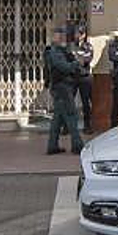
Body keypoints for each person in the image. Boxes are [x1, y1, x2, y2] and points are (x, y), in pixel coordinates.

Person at [44, 26, 85, 155]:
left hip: (62, 87)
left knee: (57, 119)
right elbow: (64, 67)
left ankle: (52, 145)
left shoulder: (62, 51)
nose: (62, 38)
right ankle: (77, 145)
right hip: (61, 87)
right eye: (59, 35)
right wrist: (76, 63)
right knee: (71, 115)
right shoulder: (54, 51)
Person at [71, 25, 95, 133]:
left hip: (84, 78)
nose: (77, 35)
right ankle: (68, 126)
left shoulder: (88, 46)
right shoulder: (71, 46)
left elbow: (86, 60)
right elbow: (67, 60)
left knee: (86, 103)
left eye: (79, 33)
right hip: (72, 77)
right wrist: (78, 57)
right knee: (69, 102)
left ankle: (88, 126)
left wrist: (75, 57)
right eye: (76, 33)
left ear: (83, 35)